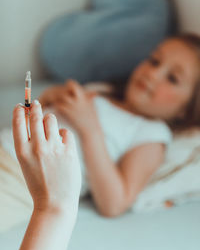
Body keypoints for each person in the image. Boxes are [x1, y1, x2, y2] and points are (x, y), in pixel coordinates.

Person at [1, 33, 200, 219]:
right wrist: (48, 99)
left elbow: (114, 204)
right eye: (154, 61)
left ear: (187, 109)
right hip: (7, 147)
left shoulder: (151, 134)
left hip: (27, 181)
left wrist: (89, 128)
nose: (153, 74)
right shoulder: (102, 91)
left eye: (172, 78)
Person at [5, 101, 81, 250]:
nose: (152, 77)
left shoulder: (150, 132)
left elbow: (115, 202)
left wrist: (54, 205)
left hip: (23, 174)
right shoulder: (96, 92)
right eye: (153, 68)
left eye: (165, 79)